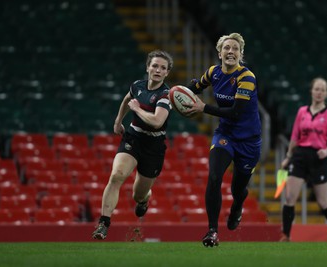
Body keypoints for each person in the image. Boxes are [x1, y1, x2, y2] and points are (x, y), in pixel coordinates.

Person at [184, 33, 262, 247]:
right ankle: (212, 232)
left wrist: (203, 108)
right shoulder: (213, 72)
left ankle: (238, 206)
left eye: (235, 48)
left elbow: (236, 112)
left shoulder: (247, 77)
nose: (230, 51)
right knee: (215, 176)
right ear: (219, 53)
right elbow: (195, 88)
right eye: (226, 47)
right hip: (225, 135)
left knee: (238, 189)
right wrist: (172, 94)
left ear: (241, 54)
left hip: (248, 141)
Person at [92, 50, 173, 240]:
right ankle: (103, 224)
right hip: (133, 137)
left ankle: (144, 200)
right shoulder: (137, 85)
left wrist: (136, 109)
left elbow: (156, 122)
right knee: (116, 175)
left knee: (138, 195)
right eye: (154, 66)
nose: (158, 70)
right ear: (147, 67)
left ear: (167, 73)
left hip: (153, 146)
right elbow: (127, 98)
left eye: (163, 68)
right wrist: (118, 120)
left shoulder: (165, 95)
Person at [279, 77, 327, 242]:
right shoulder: (302, 111)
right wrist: (288, 157)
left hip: (319, 158)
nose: (319, 92)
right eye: (317, 89)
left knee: (323, 201)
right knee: (289, 197)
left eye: (323, 90)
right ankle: (286, 235)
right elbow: (295, 136)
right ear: (311, 91)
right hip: (300, 156)